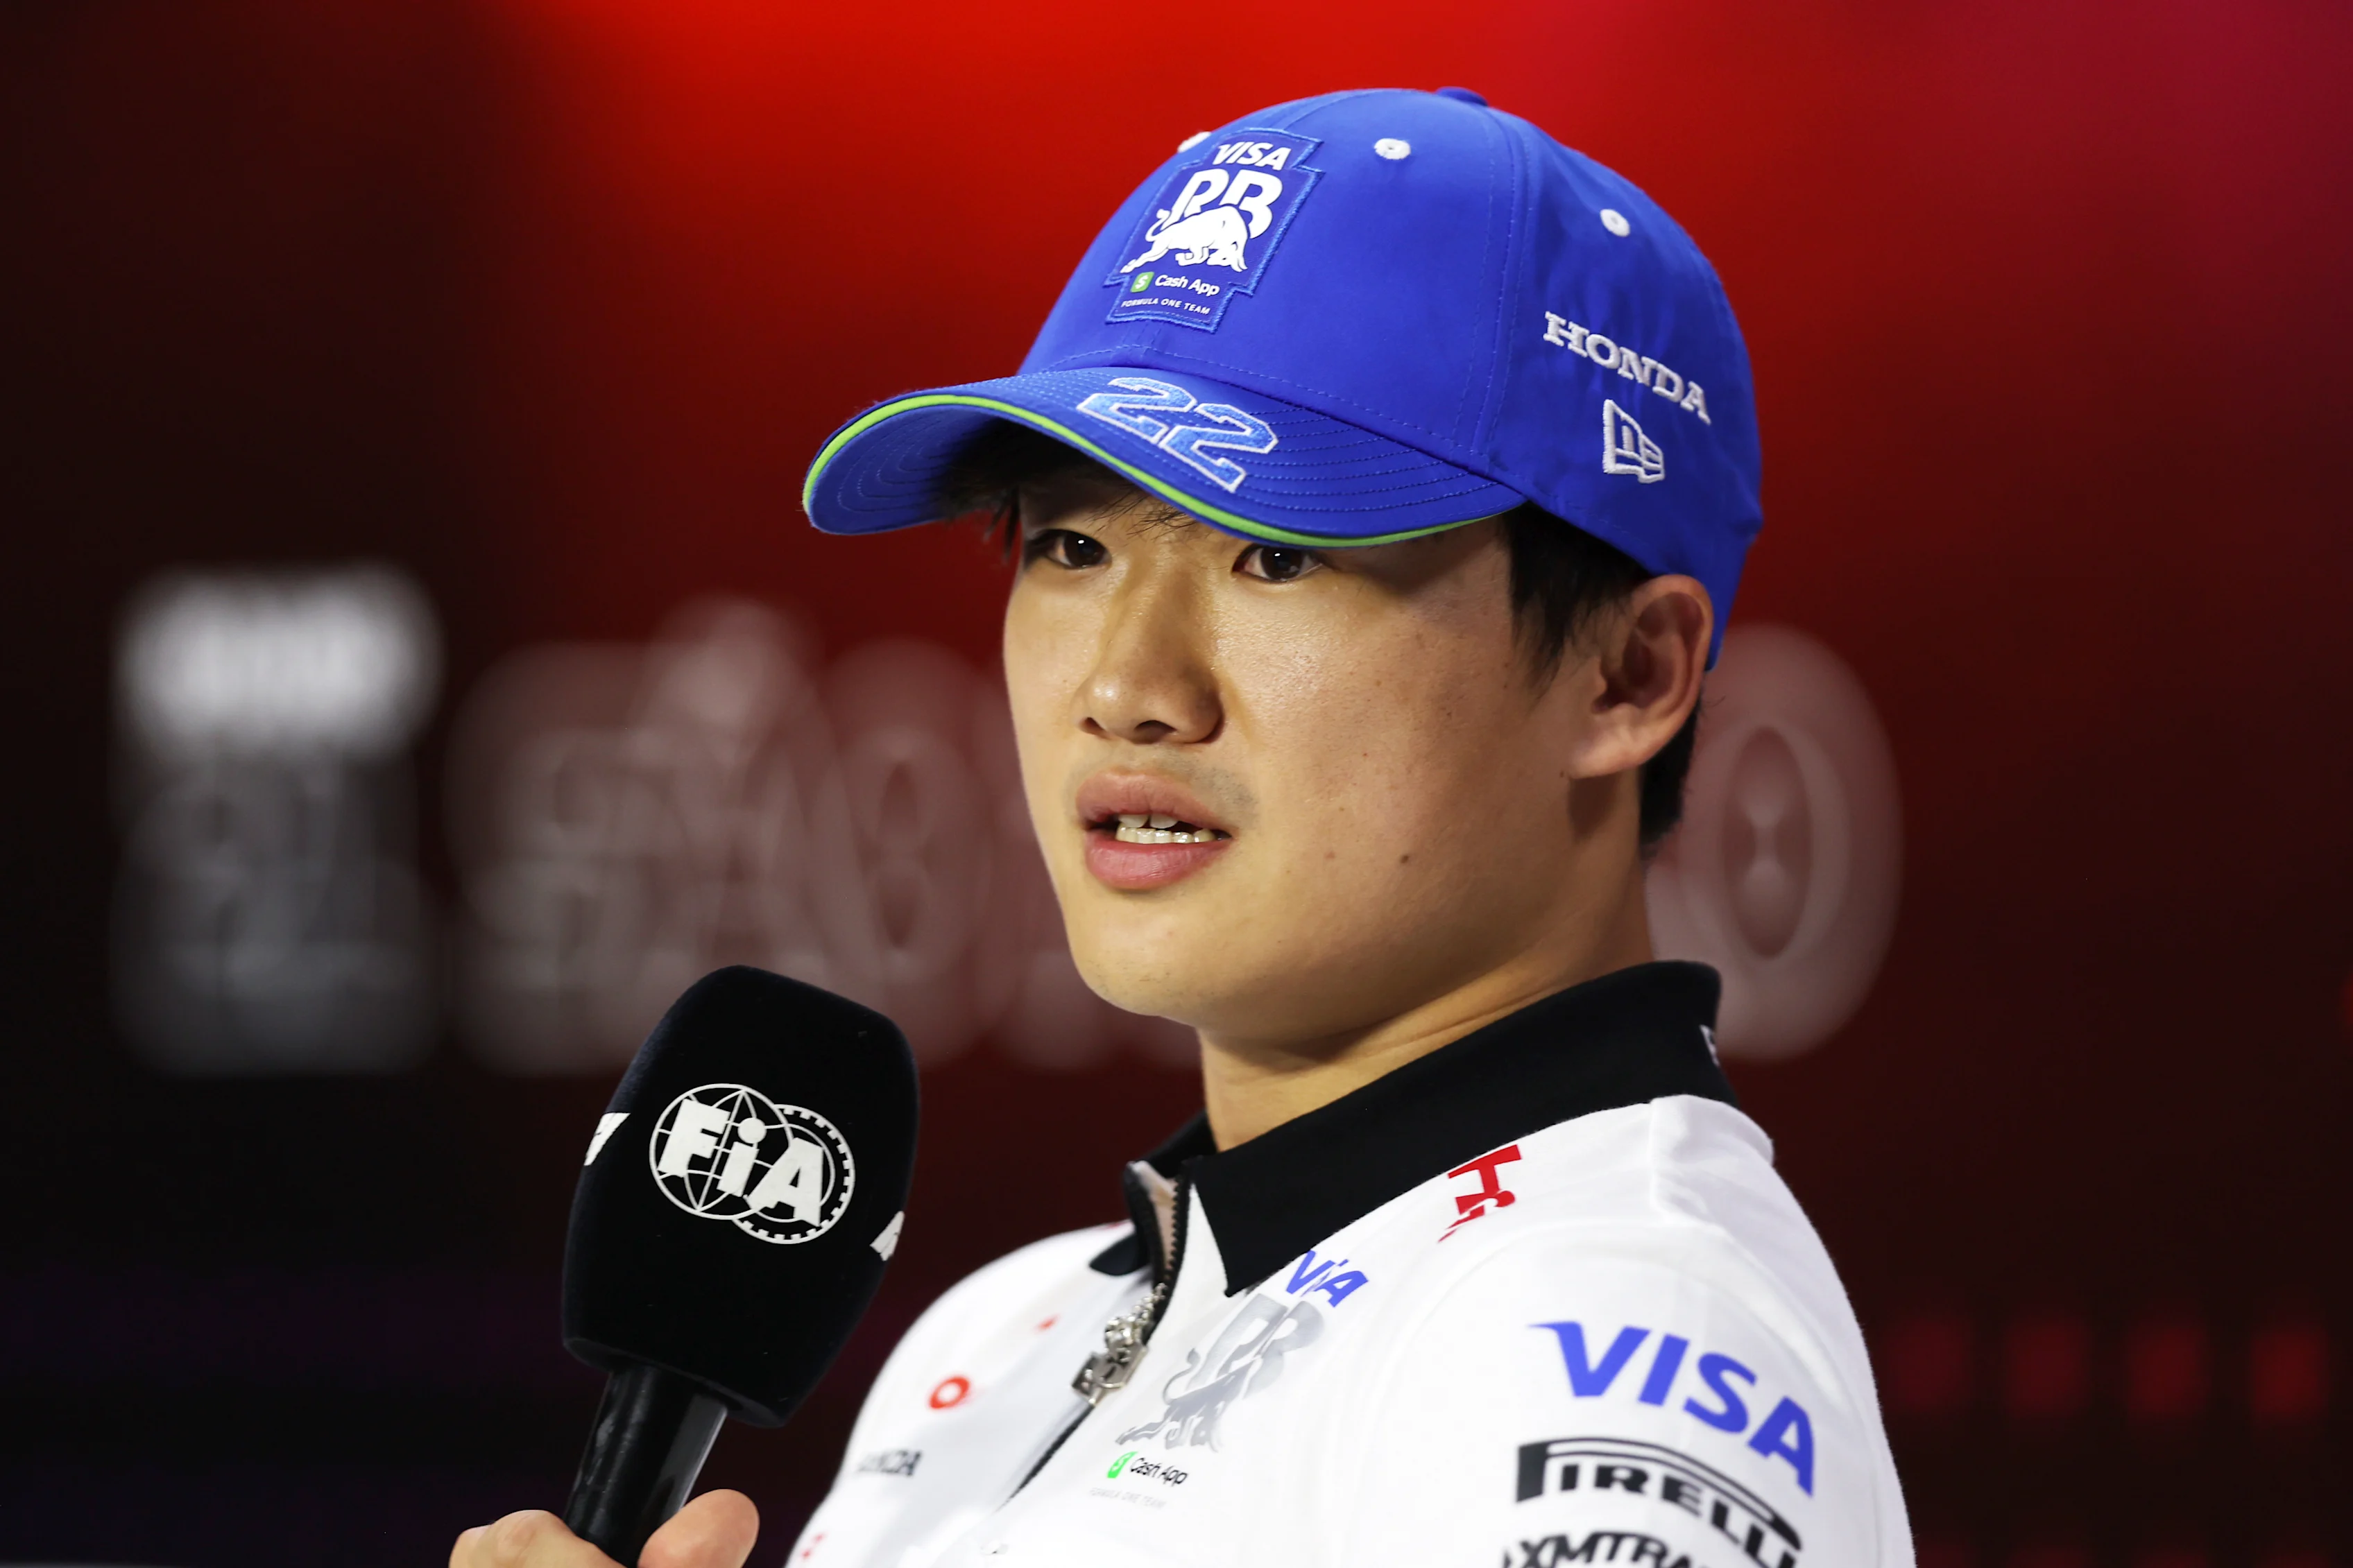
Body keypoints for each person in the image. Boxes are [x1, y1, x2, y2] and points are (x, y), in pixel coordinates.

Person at [454, 85, 1910, 1568]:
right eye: (1071, 543)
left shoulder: (1609, 1331)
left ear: (1627, 674)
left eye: (1278, 551)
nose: (1125, 686)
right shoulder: (997, 1342)